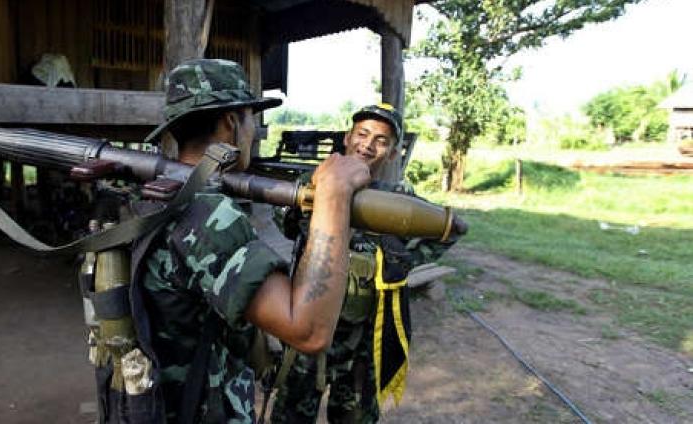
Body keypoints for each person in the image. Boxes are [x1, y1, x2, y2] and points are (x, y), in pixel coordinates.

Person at [93, 59, 370, 423]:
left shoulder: (151, 195)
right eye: (251, 118)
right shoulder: (207, 216)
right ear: (231, 123)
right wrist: (334, 197)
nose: (254, 130)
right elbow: (308, 329)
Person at [270, 104, 465, 423]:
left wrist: (405, 260)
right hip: (309, 333)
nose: (368, 144)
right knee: (290, 416)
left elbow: (450, 229)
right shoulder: (313, 183)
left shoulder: (400, 199)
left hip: (362, 343)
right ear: (347, 138)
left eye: (381, 140)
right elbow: (287, 224)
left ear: (391, 153)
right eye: (361, 134)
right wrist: (324, 196)